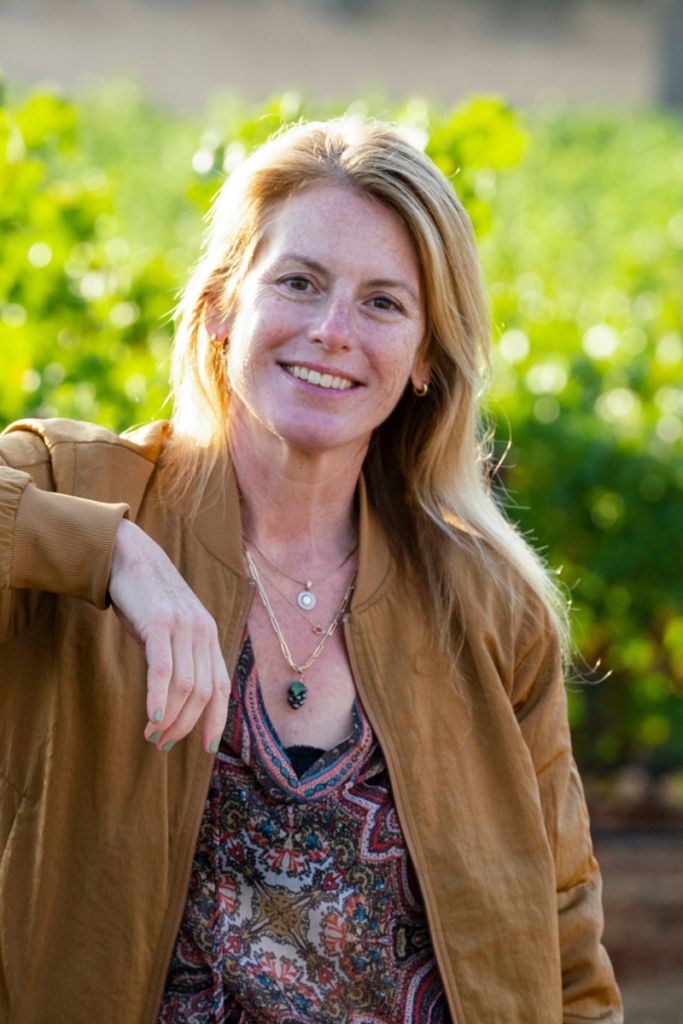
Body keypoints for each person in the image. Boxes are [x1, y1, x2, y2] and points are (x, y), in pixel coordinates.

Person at [0, 118, 622, 1024]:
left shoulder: (489, 605)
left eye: (382, 303)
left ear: (422, 359)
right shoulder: (76, 488)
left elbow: (563, 933)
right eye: (298, 283)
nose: (332, 332)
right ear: (221, 310)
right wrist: (116, 555)